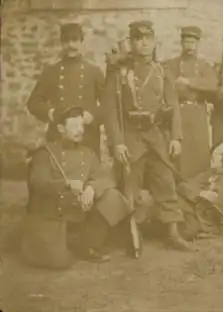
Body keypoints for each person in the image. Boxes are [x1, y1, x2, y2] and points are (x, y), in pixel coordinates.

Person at [103, 20, 196, 252]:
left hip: (156, 138)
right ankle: (128, 232)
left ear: (154, 41)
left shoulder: (161, 71)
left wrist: (175, 137)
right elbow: (111, 110)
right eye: (138, 39)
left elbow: (173, 105)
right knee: (129, 188)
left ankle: (172, 232)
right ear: (131, 42)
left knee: (166, 183)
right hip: (131, 138)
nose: (143, 43)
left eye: (148, 39)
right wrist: (118, 142)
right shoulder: (119, 73)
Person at [22, 106, 132, 270]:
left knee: (113, 198)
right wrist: (68, 185)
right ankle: (65, 242)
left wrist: (91, 188)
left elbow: (105, 177)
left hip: (79, 209)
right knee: (60, 262)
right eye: (74, 127)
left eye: (81, 126)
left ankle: (88, 244)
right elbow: (38, 182)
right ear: (60, 129)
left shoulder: (87, 153)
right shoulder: (45, 153)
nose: (79, 131)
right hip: (53, 211)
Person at [26, 23, 105, 158]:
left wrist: (93, 116)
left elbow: (108, 104)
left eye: (75, 41)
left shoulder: (94, 71)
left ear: (81, 42)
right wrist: (50, 112)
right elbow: (33, 102)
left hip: (87, 136)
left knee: (86, 176)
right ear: (61, 44)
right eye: (66, 41)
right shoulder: (51, 71)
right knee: (58, 176)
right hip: (58, 135)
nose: (71, 45)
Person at [163, 26, 218, 178]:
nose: (190, 46)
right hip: (178, 113)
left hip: (197, 113)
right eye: (186, 42)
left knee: (199, 153)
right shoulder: (170, 64)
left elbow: (212, 85)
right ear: (181, 43)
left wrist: (189, 82)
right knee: (180, 154)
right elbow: (168, 85)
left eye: (193, 42)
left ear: (198, 44)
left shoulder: (204, 65)